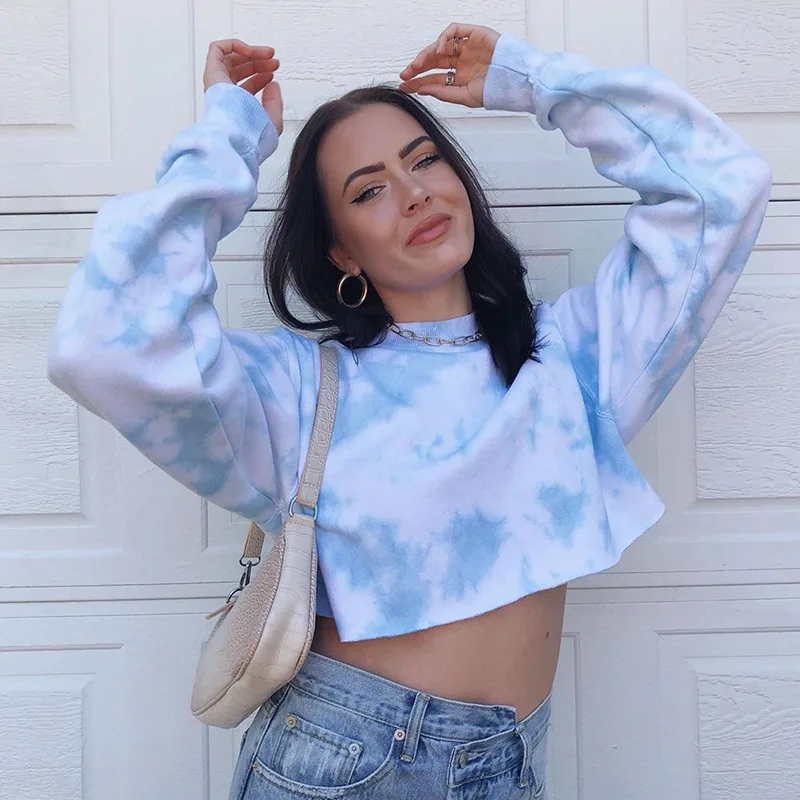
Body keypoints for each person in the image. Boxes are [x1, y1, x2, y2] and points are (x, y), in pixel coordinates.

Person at [47, 20, 771, 800]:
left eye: (424, 160)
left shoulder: (575, 358)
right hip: (341, 764)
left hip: (511, 765)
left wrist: (532, 80)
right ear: (342, 252)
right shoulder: (298, 389)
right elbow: (104, 344)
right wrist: (226, 136)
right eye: (369, 190)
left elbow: (721, 186)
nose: (415, 191)